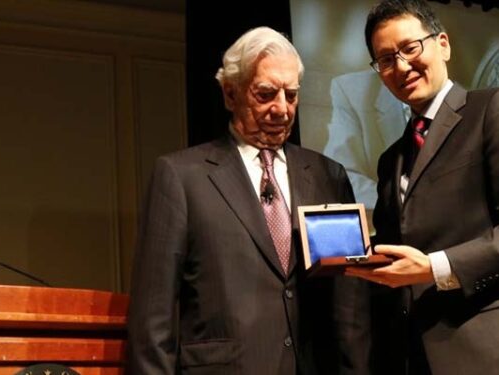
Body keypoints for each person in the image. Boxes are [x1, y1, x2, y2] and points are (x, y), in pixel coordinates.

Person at [126, 26, 370, 375]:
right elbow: (153, 317)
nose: (282, 109)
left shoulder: (328, 175)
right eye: (266, 94)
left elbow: (351, 306)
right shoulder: (181, 177)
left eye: (292, 94)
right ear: (230, 94)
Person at [345, 1, 499, 374]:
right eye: (384, 60)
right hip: (414, 355)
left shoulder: (495, 109)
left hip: (497, 353)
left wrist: (435, 267)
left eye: (410, 48)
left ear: (442, 44)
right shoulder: (391, 159)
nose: (400, 66)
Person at [323, 69, 409, 211]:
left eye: (411, 49)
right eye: (387, 59)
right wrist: (403, 206)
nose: (402, 65)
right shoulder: (351, 90)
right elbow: (341, 175)